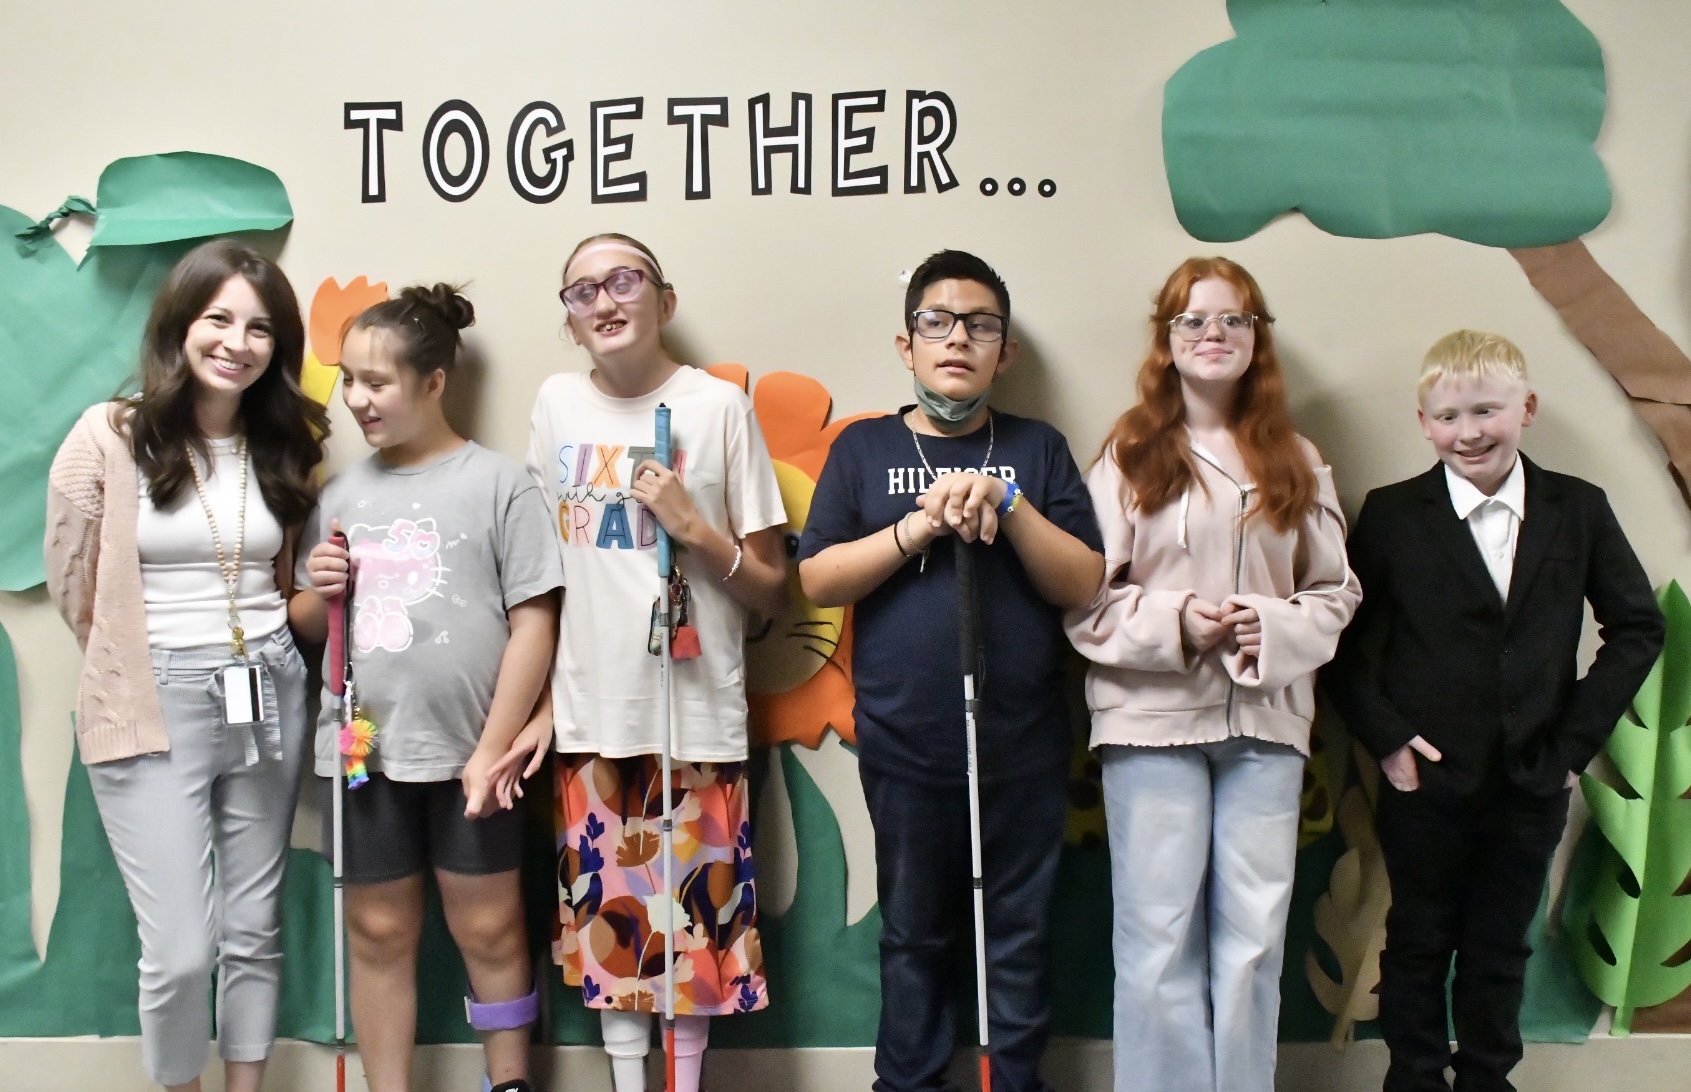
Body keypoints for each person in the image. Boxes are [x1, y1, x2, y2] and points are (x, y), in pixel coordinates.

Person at [797, 249, 1104, 1092]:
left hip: (1024, 746)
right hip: (905, 744)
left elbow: (1082, 581)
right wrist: (917, 528)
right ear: (906, 345)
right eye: (936, 322)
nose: (956, 339)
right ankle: (908, 1083)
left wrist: (1005, 503)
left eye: (980, 325)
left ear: (1003, 352)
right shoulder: (864, 449)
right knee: (914, 934)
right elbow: (816, 578)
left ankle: (1012, 1081)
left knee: (1017, 932)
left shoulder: (1036, 450)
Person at [1325, 329, 1663, 1092]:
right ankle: (1412, 1076)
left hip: (1534, 779)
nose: (1467, 431)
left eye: (1486, 410)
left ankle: (1486, 1078)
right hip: (1424, 781)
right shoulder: (1390, 514)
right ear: (1422, 423)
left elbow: (1637, 626)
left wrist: (1572, 746)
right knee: (1414, 940)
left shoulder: (1576, 510)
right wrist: (1384, 738)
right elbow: (1339, 642)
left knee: (1499, 947)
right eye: (1447, 416)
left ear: (1526, 408)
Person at [1066, 257, 1359, 1092]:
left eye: (1233, 320)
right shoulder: (1126, 456)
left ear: (1257, 339)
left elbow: (1335, 592)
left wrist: (1267, 625)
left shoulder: (1294, 457)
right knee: (1156, 938)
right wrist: (1178, 627)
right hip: (1149, 725)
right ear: (1165, 340)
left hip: (1264, 726)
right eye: (1192, 320)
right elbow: (1087, 602)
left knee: (1254, 937)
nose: (1212, 335)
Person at [44, 239, 325, 1092]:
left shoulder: (286, 442)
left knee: (252, 927)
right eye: (219, 319)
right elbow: (73, 580)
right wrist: (137, 664)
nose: (238, 342)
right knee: (177, 952)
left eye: (261, 328)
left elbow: (288, 584)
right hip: (149, 694)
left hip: (268, 686)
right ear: (181, 324)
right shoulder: (110, 434)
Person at [514, 233, 787, 1092]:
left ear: (663, 301)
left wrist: (692, 526)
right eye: (581, 291)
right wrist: (543, 704)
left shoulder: (717, 407)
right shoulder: (556, 405)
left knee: (694, 929)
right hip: (591, 711)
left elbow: (772, 589)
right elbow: (537, 575)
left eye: (622, 281)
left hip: (696, 712)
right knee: (615, 924)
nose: (603, 301)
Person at [290, 285, 563, 1092]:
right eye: (349, 381)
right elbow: (310, 625)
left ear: (435, 380)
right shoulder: (339, 496)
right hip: (367, 750)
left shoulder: (499, 485)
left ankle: (509, 1082)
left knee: (489, 925)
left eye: (377, 382)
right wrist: (315, 586)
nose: (357, 400)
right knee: (375, 928)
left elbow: (535, 623)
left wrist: (490, 750)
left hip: (475, 755)